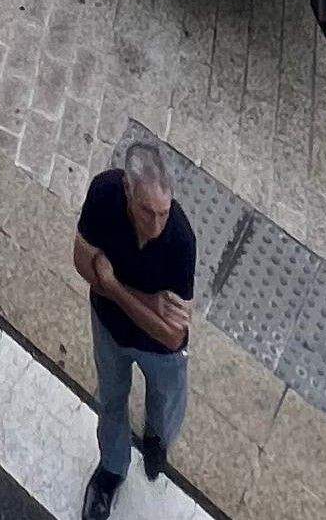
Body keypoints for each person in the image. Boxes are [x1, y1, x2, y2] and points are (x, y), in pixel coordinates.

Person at [75, 140, 196, 518]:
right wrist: (149, 304)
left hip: (159, 350)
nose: (156, 223)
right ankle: (111, 470)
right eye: (147, 211)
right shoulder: (103, 194)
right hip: (110, 329)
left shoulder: (180, 241)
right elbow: (81, 264)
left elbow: (171, 336)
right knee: (112, 399)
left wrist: (114, 288)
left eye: (163, 212)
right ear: (128, 189)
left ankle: (157, 442)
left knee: (166, 402)